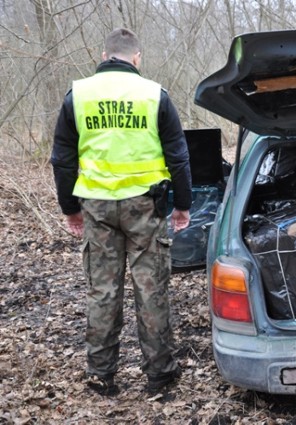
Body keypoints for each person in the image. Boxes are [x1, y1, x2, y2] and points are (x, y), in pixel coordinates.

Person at [50, 28, 192, 395]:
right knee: (151, 290)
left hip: (96, 208)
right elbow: (178, 155)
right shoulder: (154, 95)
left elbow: (62, 160)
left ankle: (101, 376)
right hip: (145, 207)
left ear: (103, 55)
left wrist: (70, 208)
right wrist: (183, 205)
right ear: (137, 57)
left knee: (102, 291)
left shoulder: (77, 95)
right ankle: (159, 377)